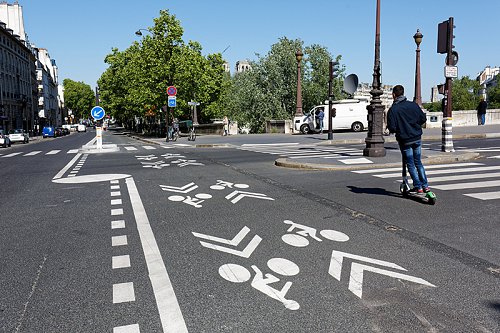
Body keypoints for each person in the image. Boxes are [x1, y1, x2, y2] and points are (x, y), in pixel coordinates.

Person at [387, 85, 429, 194]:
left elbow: (392, 128)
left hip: (405, 140)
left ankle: (418, 186)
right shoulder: (413, 105)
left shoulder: (393, 110)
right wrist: (414, 126)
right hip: (417, 137)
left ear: (394, 95)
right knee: (418, 162)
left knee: (410, 163)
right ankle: (425, 185)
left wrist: (399, 129)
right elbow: (423, 118)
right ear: (403, 93)